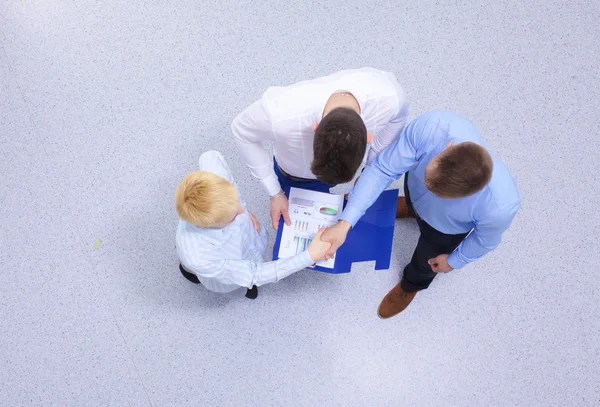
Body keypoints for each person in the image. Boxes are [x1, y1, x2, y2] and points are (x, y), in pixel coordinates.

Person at [322, 111, 521, 319]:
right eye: (428, 177)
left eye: (436, 191)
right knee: (411, 195)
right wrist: (346, 222)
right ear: (448, 148)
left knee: (426, 263)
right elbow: (383, 169)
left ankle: (410, 286)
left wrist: (455, 260)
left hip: (444, 230)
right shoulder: (434, 127)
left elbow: (484, 240)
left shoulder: (500, 206)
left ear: (472, 193)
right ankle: (410, 209)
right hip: (414, 192)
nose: (427, 187)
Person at [232, 67, 410, 230]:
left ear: (368, 137)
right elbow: (241, 130)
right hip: (294, 176)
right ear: (314, 128)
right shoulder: (279, 113)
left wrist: (369, 167)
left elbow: (398, 119)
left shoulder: (391, 98)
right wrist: (275, 193)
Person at [175, 151, 331, 299]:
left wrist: (239, 207)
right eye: (234, 216)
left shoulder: (214, 178)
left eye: (237, 203)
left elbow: (209, 156)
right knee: (239, 288)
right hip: (228, 275)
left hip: (248, 246)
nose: (242, 212)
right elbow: (255, 273)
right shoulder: (200, 258)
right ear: (205, 226)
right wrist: (308, 256)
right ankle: (190, 272)